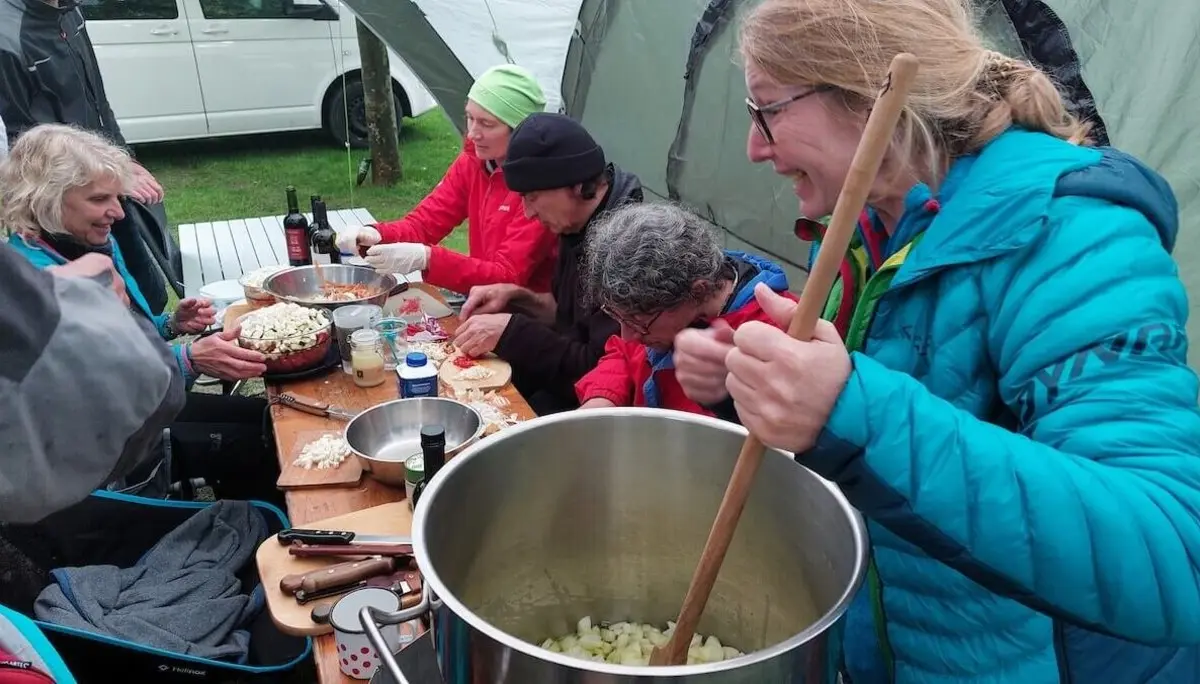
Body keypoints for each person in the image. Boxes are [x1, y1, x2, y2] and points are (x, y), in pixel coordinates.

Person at [671, 0, 1200, 682]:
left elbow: (1175, 554)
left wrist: (851, 407)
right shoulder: (882, 226)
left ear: (865, 95)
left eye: (766, 108)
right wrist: (756, 391)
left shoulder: (1072, 237)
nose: (753, 145)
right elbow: (902, 439)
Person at [1, 124, 280, 505]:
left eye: (117, 197)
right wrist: (189, 359)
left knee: (269, 419)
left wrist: (170, 324)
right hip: (107, 455)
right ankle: (249, 532)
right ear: (47, 199)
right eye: (99, 199)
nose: (117, 213)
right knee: (260, 448)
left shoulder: (93, 241)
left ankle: (241, 513)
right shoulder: (32, 284)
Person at [453, 112, 641, 414]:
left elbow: (600, 369)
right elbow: (569, 318)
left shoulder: (627, 252)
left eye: (533, 196)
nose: (527, 213)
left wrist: (513, 332)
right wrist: (518, 298)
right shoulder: (575, 224)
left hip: (598, 410)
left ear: (578, 185)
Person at [335, 64, 558, 295]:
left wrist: (428, 258)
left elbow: (508, 276)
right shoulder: (474, 162)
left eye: (487, 123)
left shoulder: (540, 187)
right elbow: (424, 223)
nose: (472, 133)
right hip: (482, 303)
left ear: (520, 130)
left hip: (529, 317)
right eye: (470, 118)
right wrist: (377, 234)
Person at [575, 202, 794, 414]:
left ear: (697, 291)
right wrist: (602, 398)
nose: (627, 335)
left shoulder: (780, 333)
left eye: (636, 322)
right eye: (617, 317)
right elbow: (625, 352)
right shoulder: (658, 309)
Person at [0, 0, 164, 205]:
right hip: (57, 197)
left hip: (98, 176)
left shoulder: (69, 10)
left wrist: (125, 159)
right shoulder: (6, 36)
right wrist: (100, 179)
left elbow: (98, 100)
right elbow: (19, 145)